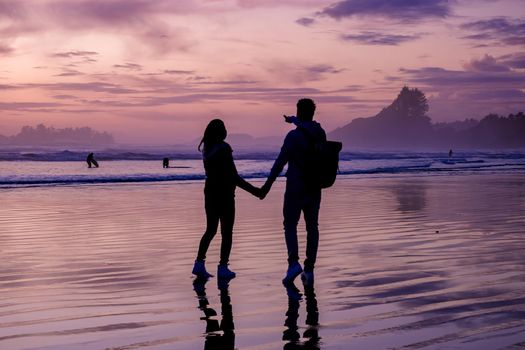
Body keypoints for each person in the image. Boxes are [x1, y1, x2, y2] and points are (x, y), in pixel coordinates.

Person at [260, 98, 326, 285]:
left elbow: (279, 163)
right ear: (313, 112)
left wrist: (267, 185)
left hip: (296, 186)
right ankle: (310, 269)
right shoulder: (320, 132)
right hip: (315, 187)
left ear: (298, 112)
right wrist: (293, 121)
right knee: (312, 227)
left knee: (290, 224)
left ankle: (293, 263)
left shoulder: (293, 137)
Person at [192, 119, 261, 279]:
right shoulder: (224, 148)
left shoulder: (207, 149)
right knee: (227, 232)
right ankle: (223, 267)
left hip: (210, 192)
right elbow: (234, 176)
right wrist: (255, 191)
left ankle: (199, 263)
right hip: (224, 194)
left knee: (210, 229)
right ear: (221, 132)